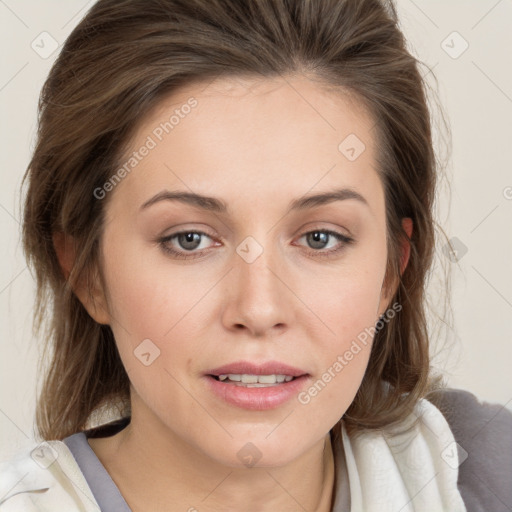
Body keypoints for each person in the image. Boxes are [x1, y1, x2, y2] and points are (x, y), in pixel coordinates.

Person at [1, 0, 511, 511]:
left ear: (391, 271)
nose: (259, 309)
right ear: (87, 273)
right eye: (189, 239)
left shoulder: (486, 472)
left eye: (320, 238)